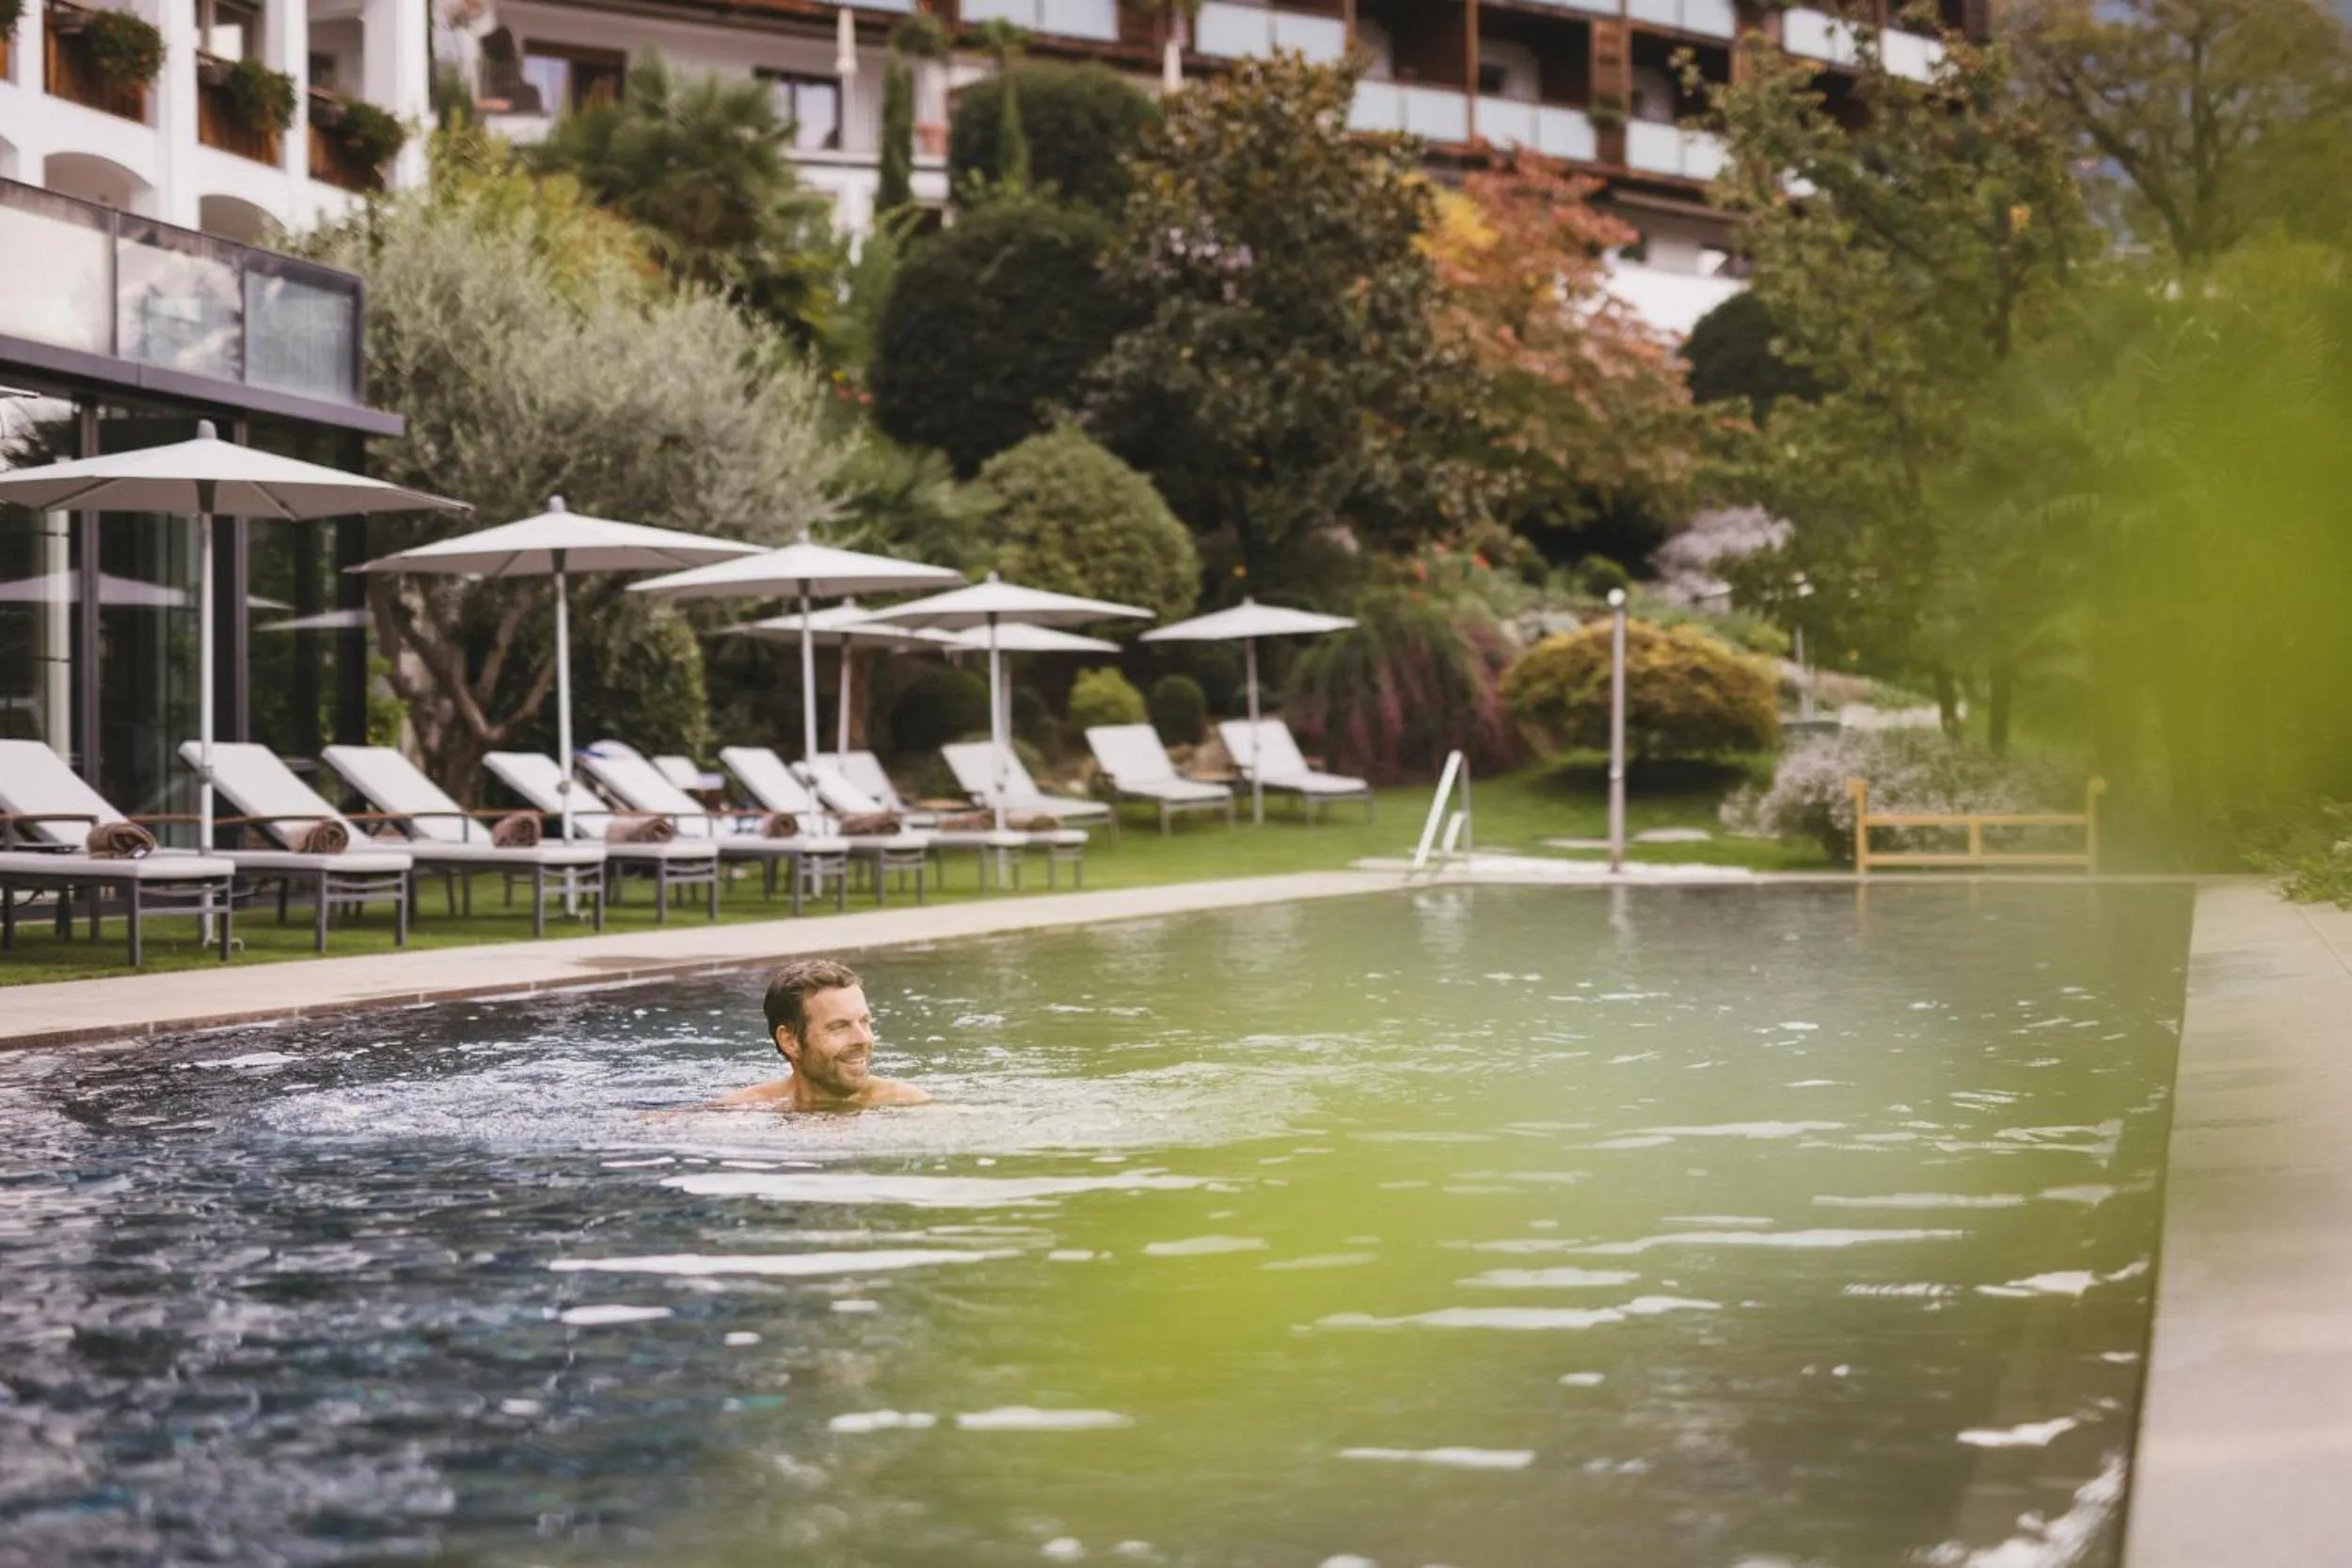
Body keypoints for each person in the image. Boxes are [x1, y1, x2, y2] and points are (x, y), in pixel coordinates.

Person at [712, 958, 930, 1113]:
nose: (863, 1038)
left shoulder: (907, 1105)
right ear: (790, 1041)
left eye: (864, 1022)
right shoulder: (743, 1110)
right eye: (839, 1027)